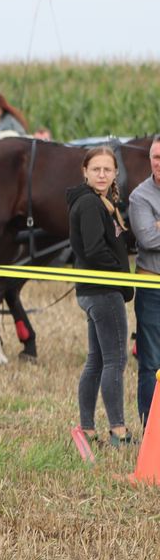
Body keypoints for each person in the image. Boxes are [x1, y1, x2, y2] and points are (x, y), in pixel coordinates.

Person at [68, 146, 134, 446]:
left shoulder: (99, 203)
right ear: (85, 171)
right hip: (103, 291)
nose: (102, 174)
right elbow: (94, 250)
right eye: (96, 169)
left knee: (96, 360)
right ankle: (118, 431)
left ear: (115, 173)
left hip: (92, 291)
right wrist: (119, 272)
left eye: (108, 169)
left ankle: (88, 429)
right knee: (115, 360)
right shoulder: (91, 205)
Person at [128, 135, 160, 427]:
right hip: (152, 288)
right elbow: (148, 239)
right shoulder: (140, 196)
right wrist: (154, 228)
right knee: (151, 361)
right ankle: (150, 427)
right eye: (156, 157)